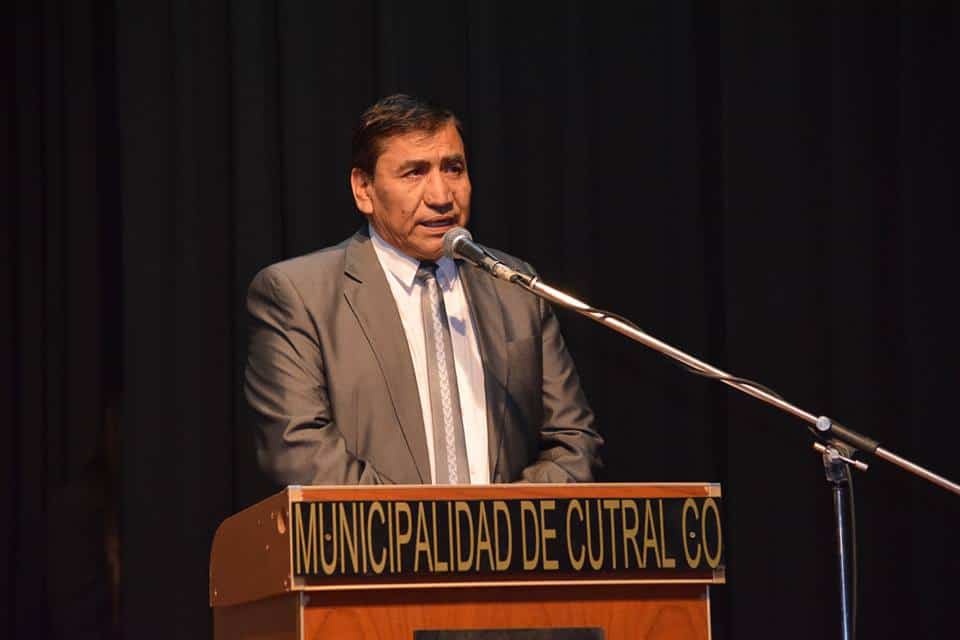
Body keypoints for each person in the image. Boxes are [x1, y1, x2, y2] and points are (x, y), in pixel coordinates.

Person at [244, 94, 601, 486]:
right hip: (373, 528)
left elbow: (574, 443)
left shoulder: (514, 287)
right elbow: (299, 453)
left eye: (453, 169)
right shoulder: (299, 295)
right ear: (363, 189)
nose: (441, 196)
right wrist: (423, 522)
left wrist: (500, 518)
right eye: (414, 173)